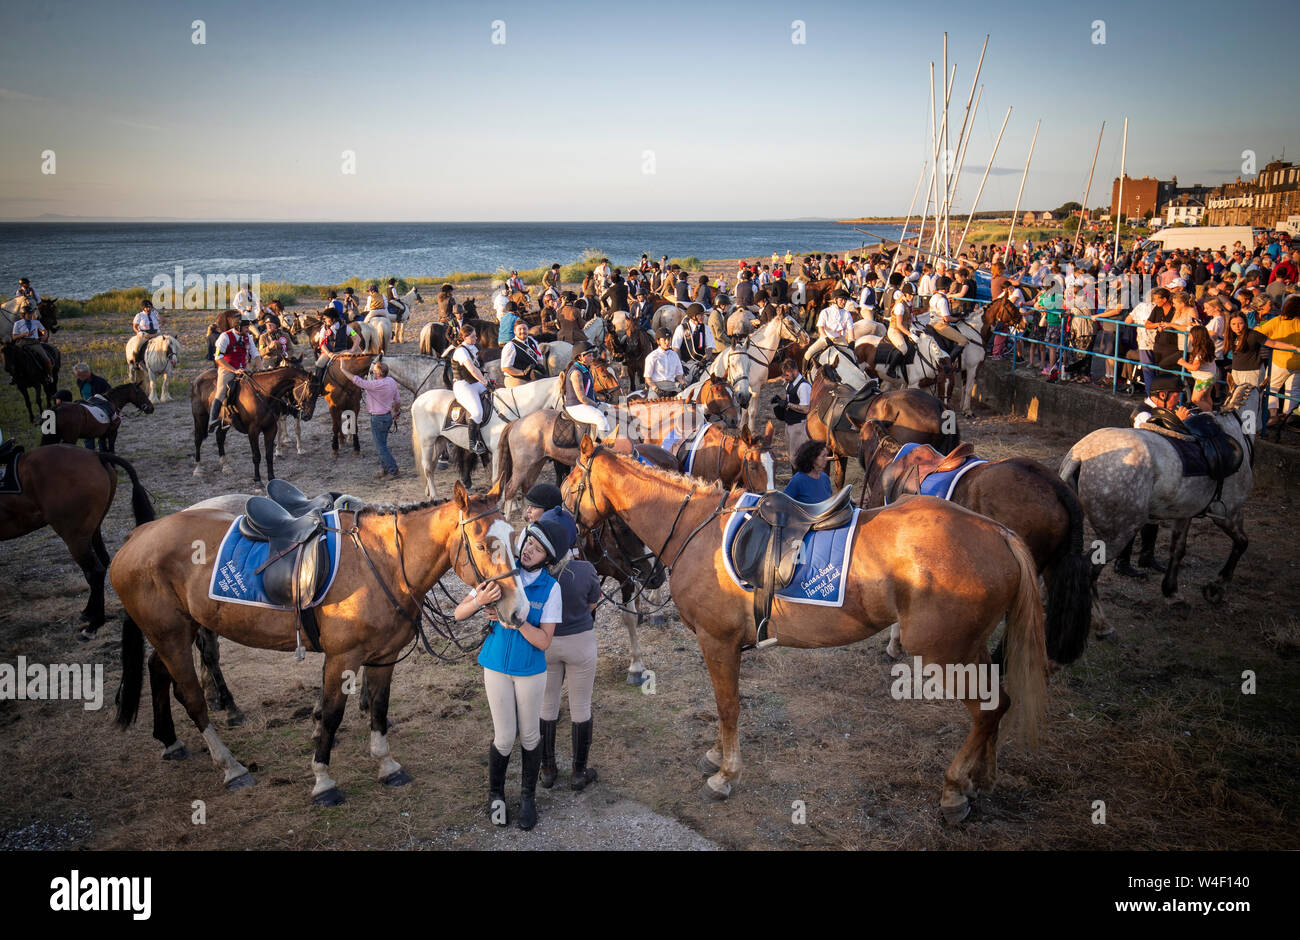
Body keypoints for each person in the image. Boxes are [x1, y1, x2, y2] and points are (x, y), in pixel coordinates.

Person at [454, 517, 569, 831]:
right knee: (504, 737)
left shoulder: (552, 589)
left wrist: (518, 622)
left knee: (530, 735)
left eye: (539, 549)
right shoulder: (501, 571)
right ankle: (496, 795)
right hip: (496, 666)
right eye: (529, 543)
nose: (530, 550)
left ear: (549, 558)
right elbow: (459, 612)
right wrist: (481, 600)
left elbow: (544, 641)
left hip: (530, 671)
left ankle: (528, 797)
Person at [538, 508, 603, 792]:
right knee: (581, 706)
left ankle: (548, 768)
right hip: (580, 643)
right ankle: (579, 772)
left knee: (547, 706)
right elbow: (592, 605)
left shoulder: (537, 574)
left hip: (547, 643)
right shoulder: (586, 570)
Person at [349, 361, 402, 478]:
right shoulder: (391, 382)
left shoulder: (374, 385)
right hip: (388, 417)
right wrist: (396, 412)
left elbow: (357, 381)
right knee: (382, 444)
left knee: (380, 447)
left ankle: (394, 470)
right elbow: (397, 400)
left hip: (377, 418)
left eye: (374, 370)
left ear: (378, 373)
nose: (372, 371)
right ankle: (385, 470)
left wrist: (343, 370)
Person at [208, 314, 257, 433]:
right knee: (221, 391)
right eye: (246, 327)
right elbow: (218, 358)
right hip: (227, 369)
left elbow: (255, 354)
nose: (248, 329)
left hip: (244, 368)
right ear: (238, 327)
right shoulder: (225, 337)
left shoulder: (248, 337)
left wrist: (261, 369)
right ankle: (212, 419)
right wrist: (234, 370)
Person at [1255, 296, 1300, 426]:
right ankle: (1287, 416)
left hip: (1280, 361)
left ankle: (1273, 415)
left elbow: (1258, 332)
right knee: (1293, 391)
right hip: (1298, 365)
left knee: (1272, 388)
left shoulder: (1278, 321)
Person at [450, 324, 491, 454]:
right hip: (463, 385)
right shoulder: (461, 351)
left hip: (475, 383)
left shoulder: (472, 348)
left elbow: (479, 367)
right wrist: (484, 382)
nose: (476, 338)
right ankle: (473, 442)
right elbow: (472, 369)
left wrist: (488, 381)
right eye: (473, 336)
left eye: (475, 335)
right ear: (465, 337)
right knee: (477, 412)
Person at [311, 307, 362, 393]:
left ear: (333, 319)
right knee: (319, 364)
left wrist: (352, 350)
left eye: (326, 318)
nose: (325, 320)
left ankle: (360, 384)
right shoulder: (324, 328)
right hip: (329, 353)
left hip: (343, 352)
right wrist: (328, 353)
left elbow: (357, 338)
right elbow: (321, 343)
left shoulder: (346, 328)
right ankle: (318, 386)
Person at [563, 342, 610, 437]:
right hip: (576, 406)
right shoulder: (576, 373)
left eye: (592, 355)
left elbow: (589, 391)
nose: (592, 358)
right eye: (589, 356)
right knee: (600, 418)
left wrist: (600, 399)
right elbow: (582, 398)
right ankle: (606, 446)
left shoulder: (586, 369)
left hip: (586, 404)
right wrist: (597, 405)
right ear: (580, 358)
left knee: (612, 409)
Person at [804, 289, 855, 369]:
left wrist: (852, 341)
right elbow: (820, 328)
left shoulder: (847, 314)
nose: (844, 302)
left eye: (845, 300)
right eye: (841, 300)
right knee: (808, 354)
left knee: (853, 357)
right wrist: (826, 338)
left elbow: (850, 330)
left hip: (840, 340)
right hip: (825, 339)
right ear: (835, 300)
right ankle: (804, 374)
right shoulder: (825, 312)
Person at [772, 358, 811, 462]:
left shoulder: (803, 386)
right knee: (791, 456)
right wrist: (780, 400)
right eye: (784, 375)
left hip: (799, 425)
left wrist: (787, 404)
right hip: (789, 423)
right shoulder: (790, 383)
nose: (785, 378)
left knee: (798, 458)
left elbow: (806, 409)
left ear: (795, 371)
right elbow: (793, 400)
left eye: (787, 375)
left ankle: (798, 477)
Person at [1177, 325, 1218, 413]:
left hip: (1203, 379)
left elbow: (1195, 367)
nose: (1189, 337)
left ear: (1196, 337)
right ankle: (1210, 411)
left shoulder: (1200, 353)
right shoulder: (1207, 346)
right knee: (1206, 397)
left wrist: (1183, 363)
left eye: (1191, 335)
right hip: (1211, 376)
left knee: (1196, 399)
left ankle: (1209, 413)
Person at [10, 300, 53, 379]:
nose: (30, 315)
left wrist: (45, 335)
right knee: (12, 358)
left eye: (31, 313)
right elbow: (14, 337)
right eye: (28, 314)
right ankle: (13, 376)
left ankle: (49, 375)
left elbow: (43, 330)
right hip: (22, 343)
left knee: (46, 359)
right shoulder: (17, 324)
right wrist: (24, 334)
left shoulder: (36, 322)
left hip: (34, 343)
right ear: (23, 314)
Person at [501, 319, 544, 387]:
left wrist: (540, 367)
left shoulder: (532, 341)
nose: (522, 331)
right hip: (516, 379)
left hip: (532, 377)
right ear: (515, 332)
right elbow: (505, 368)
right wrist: (522, 373)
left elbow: (539, 356)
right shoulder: (510, 346)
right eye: (519, 329)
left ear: (528, 330)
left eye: (524, 329)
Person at [644, 328, 684, 397]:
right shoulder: (652, 356)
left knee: (687, 399)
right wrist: (656, 389)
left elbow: (679, 376)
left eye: (669, 339)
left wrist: (683, 384)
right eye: (664, 340)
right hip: (657, 386)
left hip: (672, 386)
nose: (667, 342)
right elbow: (648, 378)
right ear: (658, 341)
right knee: (653, 401)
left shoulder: (674, 355)